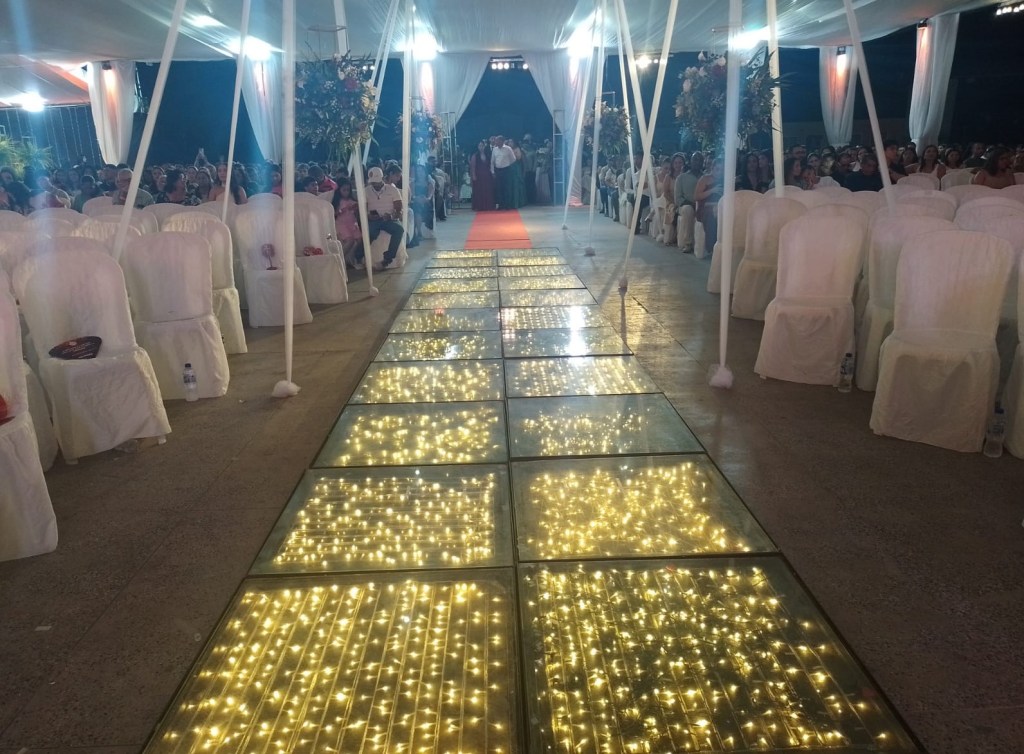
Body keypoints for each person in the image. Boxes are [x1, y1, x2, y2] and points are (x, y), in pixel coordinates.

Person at [360, 166, 404, 270]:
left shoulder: (393, 190)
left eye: (377, 182)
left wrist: (391, 216)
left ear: (382, 179)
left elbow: (399, 210)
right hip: (373, 220)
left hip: (389, 219)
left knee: (399, 230)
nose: (375, 185)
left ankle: (387, 259)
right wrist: (368, 216)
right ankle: (360, 256)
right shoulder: (365, 191)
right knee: (369, 233)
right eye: (373, 183)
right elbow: (362, 209)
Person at [674, 152, 703, 252]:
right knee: (688, 210)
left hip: (701, 205)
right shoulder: (681, 178)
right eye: (695, 159)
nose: (697, 162)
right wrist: (692, 204)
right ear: (690, 161)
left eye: (699, 160)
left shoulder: (706, 177)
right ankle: (688, 243)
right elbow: (678, 199)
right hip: (685, 206)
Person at [331, 179, 363, 268]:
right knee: (350, 240)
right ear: (339, 190)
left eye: (348, 190)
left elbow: (357, 214)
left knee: (359, 240)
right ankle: (339, 259)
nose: (346, 192)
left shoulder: (352, 200)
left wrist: (356, 208)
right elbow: (333, 214)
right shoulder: (337, 201)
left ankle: (349, 258)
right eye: (344, 190)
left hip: (352, 222)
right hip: (342, 223)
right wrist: (342, 210)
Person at [490, 135, 516, 210]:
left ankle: (507, 205)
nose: (496, 142)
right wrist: (492, 171)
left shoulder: (508, 149)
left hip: (506, 170)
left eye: (497, 141)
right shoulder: (494, 149)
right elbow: (492, 161)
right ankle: (501, 205)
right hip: (498, 170)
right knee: (499, 188)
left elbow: (513, 159)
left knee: (506, 188)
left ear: (502, 141)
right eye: (496, 141)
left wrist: (507, 164)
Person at [470, 140, 495, 211]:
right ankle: (480, 206)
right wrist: (473, 176)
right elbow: (473, 167)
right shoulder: (475, 156)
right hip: (479, 176)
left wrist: (492, 173)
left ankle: (488, 205)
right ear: (478, 147)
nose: (481, 147)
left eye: (482, 146)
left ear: (484, 146)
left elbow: (491, 165)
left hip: (487, 176)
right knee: (479, 191)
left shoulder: (488, 155)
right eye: (480, 146)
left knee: (488, 190)